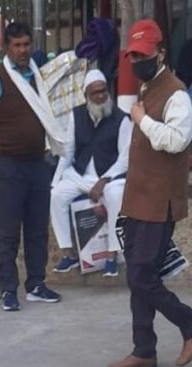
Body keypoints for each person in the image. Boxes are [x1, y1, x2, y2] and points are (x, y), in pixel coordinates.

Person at [107, 18, 192, 367]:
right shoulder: (148, 87)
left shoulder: (176, 93)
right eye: (133, 56)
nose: (137, 61)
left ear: (160, 53)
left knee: (141, 277)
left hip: (158, 201)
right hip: (139, 198)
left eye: (143, 55)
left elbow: (177, 140)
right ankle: (144, 349)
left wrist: (142, 120)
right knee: (137, 276)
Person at [0, 21, 66, 312]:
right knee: (8, 232)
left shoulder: (37, 77)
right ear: (8, 48)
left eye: (26, 44)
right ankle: (8, 290)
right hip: (10, 167)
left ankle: (36, 284)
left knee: (38, 228)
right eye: (17, 45)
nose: (23, 50)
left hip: (38, 165)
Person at [50, 69, 131, 278]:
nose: (100, 96)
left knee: (115, 196)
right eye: (95, 93)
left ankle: (112, 256)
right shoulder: (76, 116)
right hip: (81, 175)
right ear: (86, 95)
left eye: (103, 91)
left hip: (110, 177)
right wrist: (54, 181)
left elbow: (125, 158)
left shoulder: (122, 119)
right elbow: (67, 152)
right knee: (57, 195)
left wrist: (104, 181)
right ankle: (68, 253)